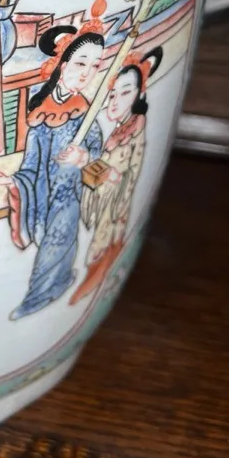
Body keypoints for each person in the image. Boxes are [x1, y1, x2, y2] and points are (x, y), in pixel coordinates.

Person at [0, 0, 107, 319]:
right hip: (42, 192)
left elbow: (99, 154)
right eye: (81, 63)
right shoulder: (40, 110)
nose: (87, 73)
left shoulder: (84, 111)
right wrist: (12, 181)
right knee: (46, 242)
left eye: (95, 66)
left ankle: (41, 295)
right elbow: (31, 165)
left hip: (67, 196)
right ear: (63, 64)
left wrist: (83, 157)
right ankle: (49, 289)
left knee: (56, 245)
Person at [69, 47, 162, 304]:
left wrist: (88, 163)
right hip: (107, 204)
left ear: (139, 94)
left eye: (125, 93)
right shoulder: (119, 130)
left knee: (101, 250)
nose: (116, 101)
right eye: (113, 94)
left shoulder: (135, 128)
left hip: (114, 211)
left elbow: (123, 174)